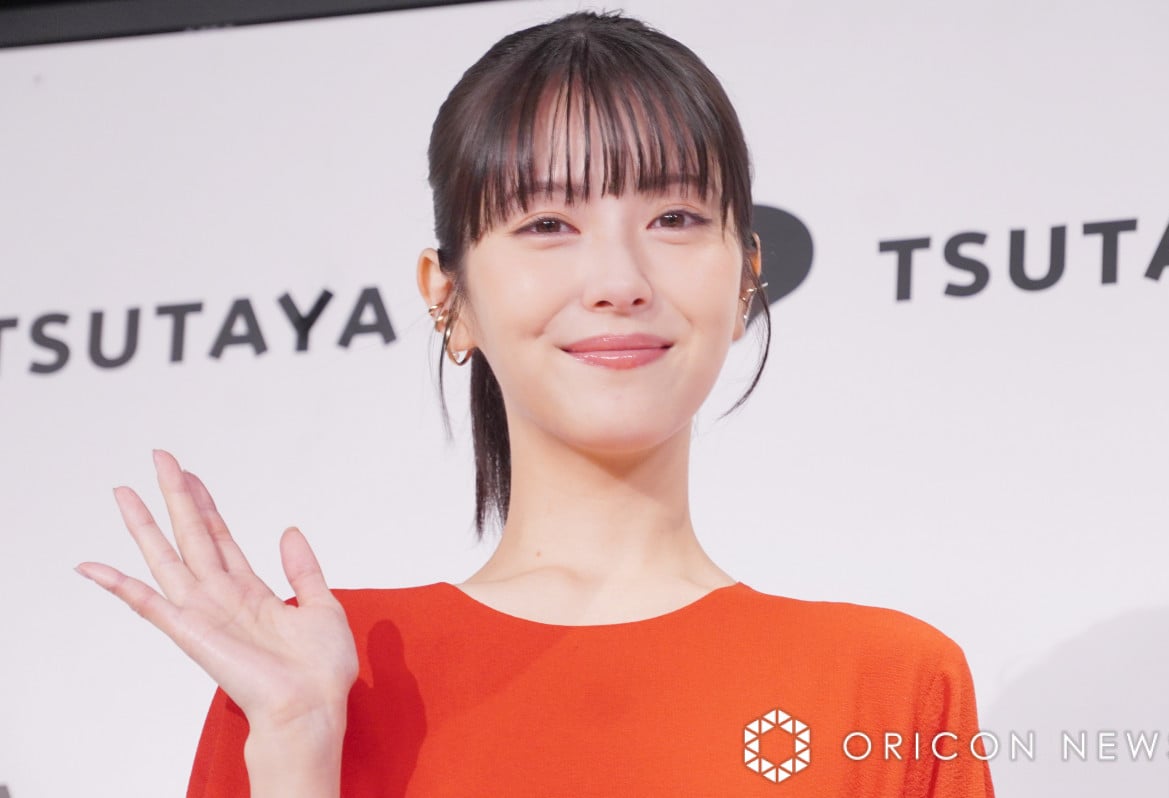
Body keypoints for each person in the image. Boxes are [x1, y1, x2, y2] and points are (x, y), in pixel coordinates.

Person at [76, 10, 996, 797]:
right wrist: (294, 751)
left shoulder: (889, 683)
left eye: (675, 218)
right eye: (548, 224)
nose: (619, 280)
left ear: (746, 272)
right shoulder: (317, 670)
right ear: (450, 296)